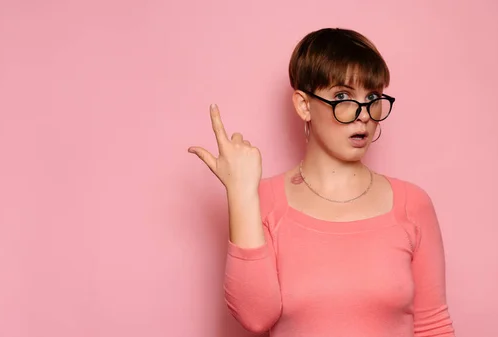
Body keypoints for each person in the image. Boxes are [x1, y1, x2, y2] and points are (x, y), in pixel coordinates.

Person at [188, 28, 455, 337]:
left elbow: (433, 326)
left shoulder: (412, 203)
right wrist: (241, 192)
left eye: (372, 97)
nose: (364, 115)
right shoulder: (263, 201)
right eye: (342, 96)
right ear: (303, 105)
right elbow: (255, 317)